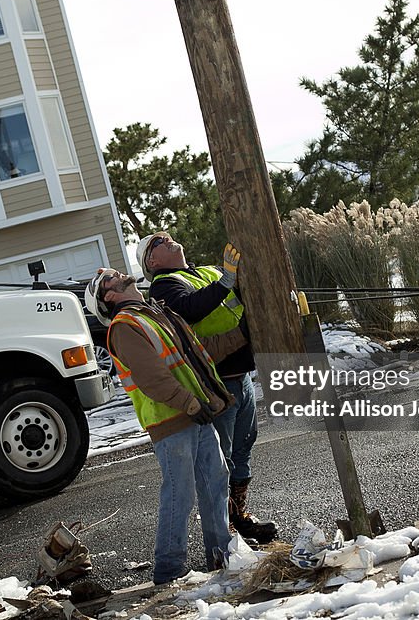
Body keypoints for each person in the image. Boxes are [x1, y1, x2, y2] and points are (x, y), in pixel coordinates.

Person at [84, 266, 247, 585]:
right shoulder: (124, 326)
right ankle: (170, 569)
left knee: (215, 480)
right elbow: (151, 378)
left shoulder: (157, 314)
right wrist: (189, 402)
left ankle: (222, 555)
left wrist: (244, 333)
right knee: (180, 493)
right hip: (172, 419)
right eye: (107, 278)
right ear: (109, 297)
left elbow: (201, 352)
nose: (115, 273)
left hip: (196, 411)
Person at [138, 232, 277, 544]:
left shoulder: (210, 272)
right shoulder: (163, 286)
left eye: (167, 235)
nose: (168, 237)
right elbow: (188, 309)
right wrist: (226, 281)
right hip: (216, 381)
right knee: (220, 459)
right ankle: (224, 532)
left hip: (240, 373)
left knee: (243, 447)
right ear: (152, 261)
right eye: (159, 240)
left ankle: (239, 515)